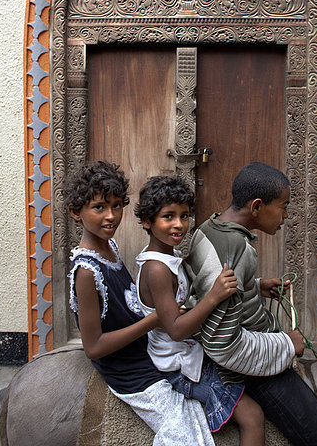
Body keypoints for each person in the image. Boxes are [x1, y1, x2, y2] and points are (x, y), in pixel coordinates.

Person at [184, 162, 317, 446]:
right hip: (245, 370)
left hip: (251, 345)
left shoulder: (208, 228)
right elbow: (222, 345)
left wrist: (255, 287)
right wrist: (286, 344)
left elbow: (214, 288)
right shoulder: (237, 251)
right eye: (283, 207)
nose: (285, 216)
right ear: (257, 206)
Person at [65, 160, 218, 446]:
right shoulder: (86, 271)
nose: (110, 216)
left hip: (144, 351)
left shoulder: (109, 248)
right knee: (186, 437)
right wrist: (152, 321)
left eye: (116, 205)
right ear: (76, 212)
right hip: (128, 371)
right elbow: (93, 347)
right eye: (99, 207)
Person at [134, 174, 265, 446]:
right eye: (168, 217)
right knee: (253, 416)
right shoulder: (157, 269)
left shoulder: (169, 257)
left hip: (187, 352)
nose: (179, 224)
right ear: (147, 221)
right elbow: (176, 329)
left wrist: (259, 286)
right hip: (176, 365)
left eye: (184, 215)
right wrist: (214, 297)